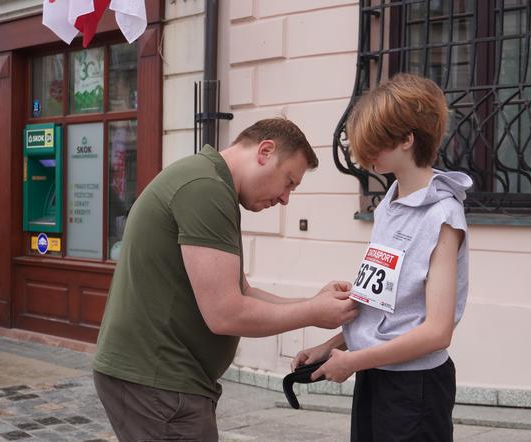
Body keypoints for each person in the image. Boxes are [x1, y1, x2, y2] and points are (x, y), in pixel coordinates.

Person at [93, 118, 358, 442]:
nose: (286, 198)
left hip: (163, 381)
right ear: (264, 151)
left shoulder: (209, 183)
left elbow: (241, 290)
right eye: (288, 181)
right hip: (159, 383)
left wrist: (313, 302)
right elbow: (225, 313)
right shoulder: (205, 188)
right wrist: (314, 313)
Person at [292, 73, 473, 442]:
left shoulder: (443, 217)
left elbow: (438, 333)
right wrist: (329, 349)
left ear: (408, 139)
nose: (366, 155)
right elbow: (382, 306)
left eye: (376, 144)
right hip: (376, 374)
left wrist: (353, 361)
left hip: (415, 387)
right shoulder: (389, 203)